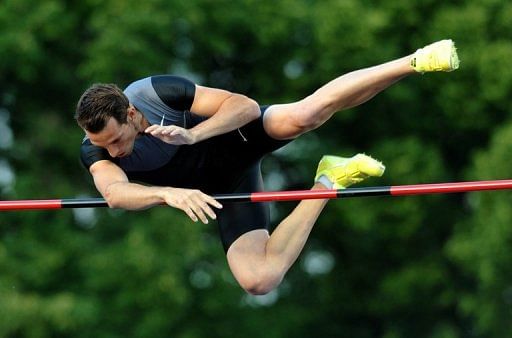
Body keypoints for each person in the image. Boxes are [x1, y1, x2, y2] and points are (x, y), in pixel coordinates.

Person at [76, 39, 459, 295]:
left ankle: (414, 61)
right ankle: (329, 179)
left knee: (307, 113)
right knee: (259, 280)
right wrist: (168, 194)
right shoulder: (95, 150)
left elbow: (242, 106)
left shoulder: (156, 92)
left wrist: (194, 135)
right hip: (223, 187)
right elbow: (114, 193)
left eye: (116, 139)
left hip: (232, 142)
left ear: (130, 113)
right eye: (101, 145)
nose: (113, 151)